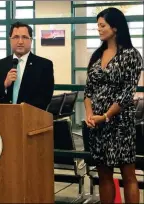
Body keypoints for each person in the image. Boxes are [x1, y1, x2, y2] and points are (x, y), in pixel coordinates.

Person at [84, 8, 143, 204]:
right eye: (98, 26)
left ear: (115, 27)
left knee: (128, 175)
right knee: (104, 176)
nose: (99, 29)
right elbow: (88, 91)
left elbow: (127, 93)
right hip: (98, 126)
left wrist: (107, 115)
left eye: (103, 25)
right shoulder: (96, 56)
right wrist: (90, 115)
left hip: (120, 124)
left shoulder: (131, 55)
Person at [0, 22, 54, 110]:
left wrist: (21, 112)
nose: (20, 41)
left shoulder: (44, 65)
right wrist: (4, 84)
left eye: (24, 37)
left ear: (31, 40)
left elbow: (45, 99)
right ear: (10, 40)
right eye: (16, 37)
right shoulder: (0, 64)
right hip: (5, 118)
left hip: (31, 119)